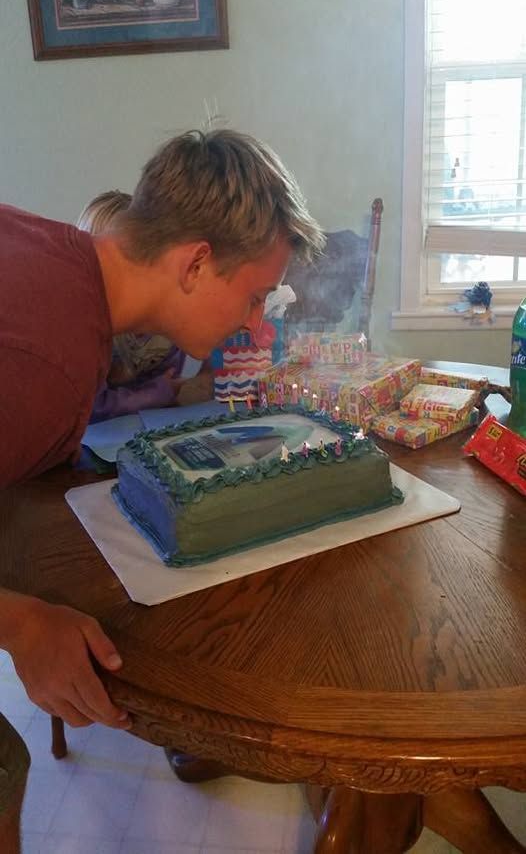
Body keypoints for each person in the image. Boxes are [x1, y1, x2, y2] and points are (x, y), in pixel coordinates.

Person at [0, 128, 325, 852]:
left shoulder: (54, 250)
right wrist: (20, 624)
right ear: (196, 262)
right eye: (252, 296)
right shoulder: (51, 362)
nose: (252, 321)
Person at [77, 190, 213, 422]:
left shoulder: (162, 317)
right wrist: (160, 393)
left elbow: (172, 377)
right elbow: (91, 407)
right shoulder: (84, 327)